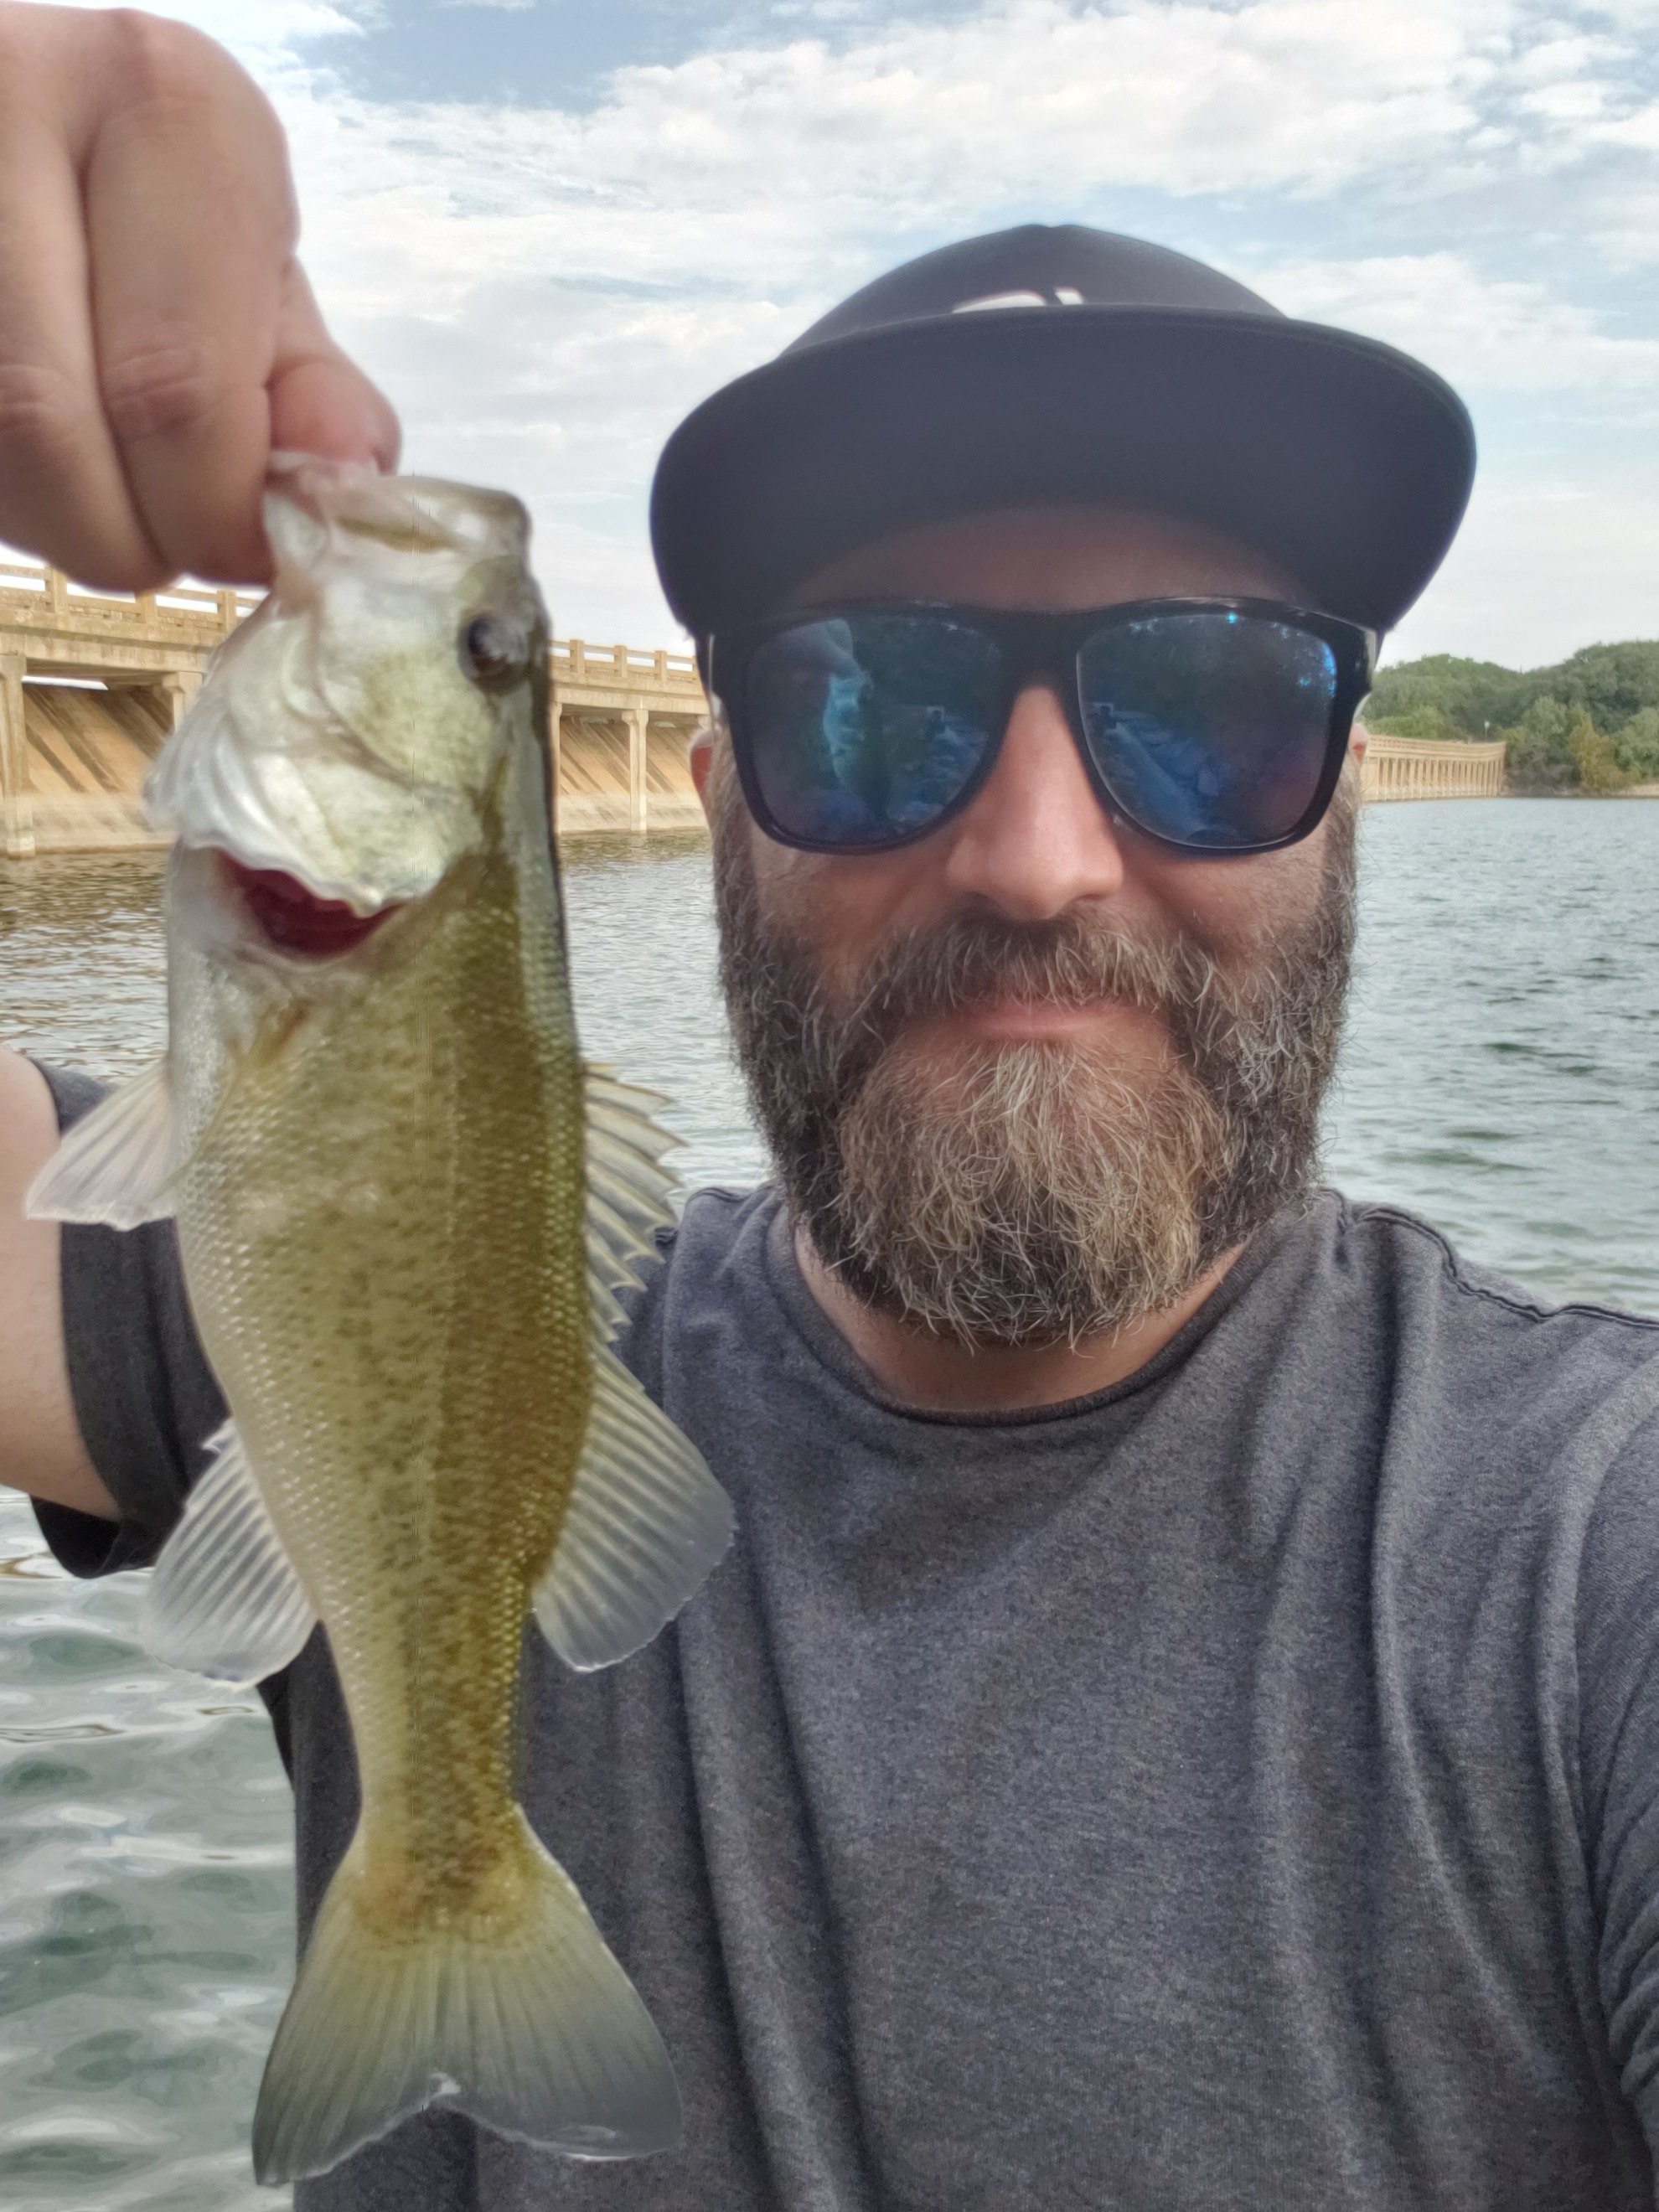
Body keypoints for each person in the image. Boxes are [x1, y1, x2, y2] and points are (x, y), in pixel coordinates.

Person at [2, 8, 1659, 2209]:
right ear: (715, 811)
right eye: (869, 703)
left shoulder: (1598, 1570)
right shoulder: (464, 1333)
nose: (1039, 860)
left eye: (1213, 707)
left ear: (1341, 804)